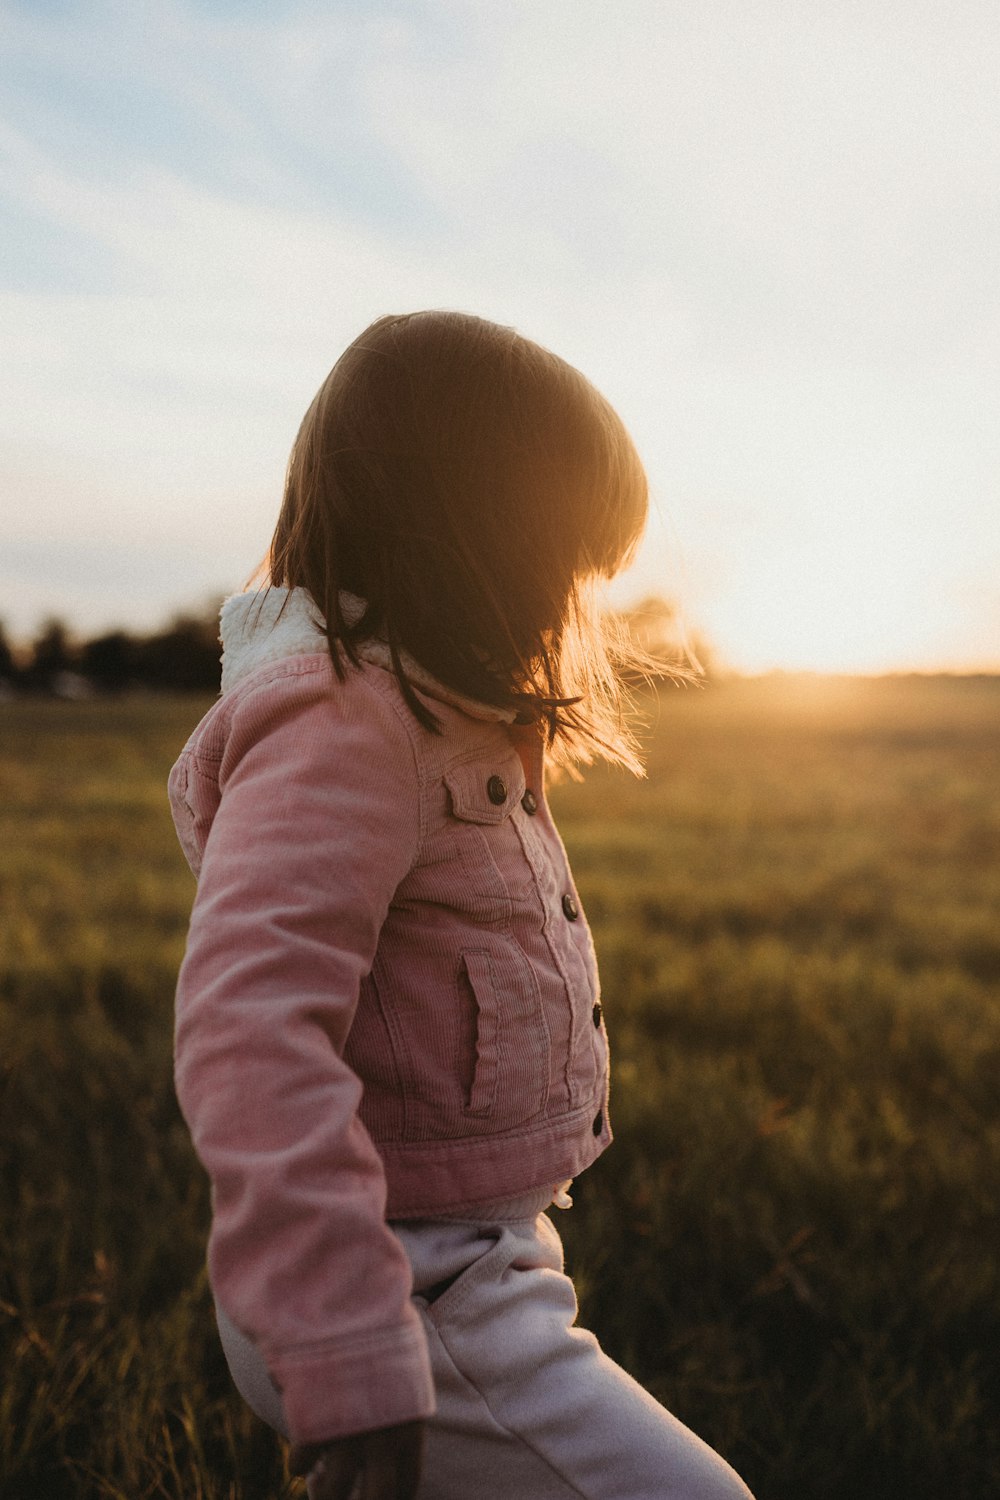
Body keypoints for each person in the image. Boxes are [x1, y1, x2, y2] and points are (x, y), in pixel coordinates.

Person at [169, 311, 754, 1500]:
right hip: (400, 1289)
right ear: (471, 533)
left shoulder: (421, 717)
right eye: (561, 563)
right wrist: (347, 1345)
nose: (564, 611)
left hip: (474, 1266)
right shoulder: (345, 726)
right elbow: (249, 1031)